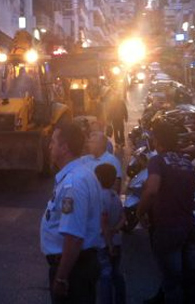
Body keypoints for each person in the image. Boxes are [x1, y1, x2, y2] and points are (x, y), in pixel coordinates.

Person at [137, 120, 195, 304]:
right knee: (190, 278)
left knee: (172, 282)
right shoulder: (187, 162)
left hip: (167, 228)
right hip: (189, 226)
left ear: (158, 141)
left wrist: (140, 212)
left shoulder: (157, 161)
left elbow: (152, 190)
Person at [41, 122, 103, 304]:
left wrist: (61, 277)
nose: (50, 146)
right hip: (78, 266)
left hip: (74, 271)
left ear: (65, 148)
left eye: (53, 142)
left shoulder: (74, 183)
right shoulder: (79, 174)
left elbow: (74, 237)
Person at [94, 163, 127, 304]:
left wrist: (109, 244)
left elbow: (104, 223)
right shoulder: (115, 196)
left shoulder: (100, 198)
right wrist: (115, 230)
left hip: (104, 243)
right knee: (116, 273)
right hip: (117, 241)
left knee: (105, 275)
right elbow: (123, 218)